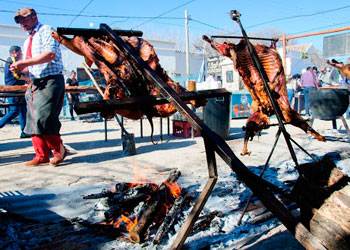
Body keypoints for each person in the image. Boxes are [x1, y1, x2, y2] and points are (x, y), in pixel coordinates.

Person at [10, 7, 67, 166]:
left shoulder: (46, 30)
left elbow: (50, 55)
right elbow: (31, 66)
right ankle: (41, 155)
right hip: (35, 82)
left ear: (34, 17)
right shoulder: (27, 40)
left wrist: (24, 63)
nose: (23, 24)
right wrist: (20, 68)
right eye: (20, 22)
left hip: (50, 80)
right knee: (33, 120)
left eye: (25, 20)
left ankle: (59, 150)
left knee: (45, 117)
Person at [0, 46, 30, 138]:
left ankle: (24, 131)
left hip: (18, 89)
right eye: (20, 52)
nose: (22, 54)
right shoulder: (11, 60)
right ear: (15, 52)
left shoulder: (13, 60)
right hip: (13, 89)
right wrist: (29, 79)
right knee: (15, 110)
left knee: (22, 109)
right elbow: (17, 75)